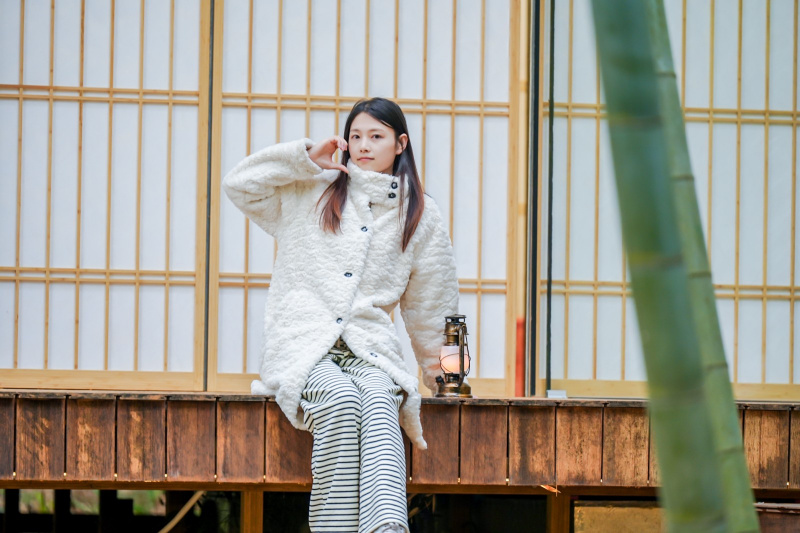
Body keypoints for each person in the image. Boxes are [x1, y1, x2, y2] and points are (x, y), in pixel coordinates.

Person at [222, 97, 459, 533]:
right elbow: (240, 184)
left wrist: (444, 377)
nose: (363, 145)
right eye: (356, 136)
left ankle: (386, 528)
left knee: (382, 402)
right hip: (304, 344)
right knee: (341, 401)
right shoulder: (312, 189)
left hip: (370, 350)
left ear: (400, 144)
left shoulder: (420, 214)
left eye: (376, 136)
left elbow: (433, 302)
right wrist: (303, 159)